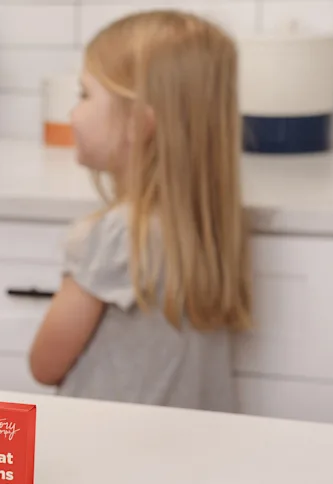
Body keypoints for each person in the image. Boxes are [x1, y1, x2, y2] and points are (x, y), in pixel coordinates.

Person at [28, 11, 252, 411]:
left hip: (109, 438)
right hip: (199, 437)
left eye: (84, 95)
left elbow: (44, 365)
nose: (73, 113)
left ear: (137, 123)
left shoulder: (119, 233)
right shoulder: (209, 224)